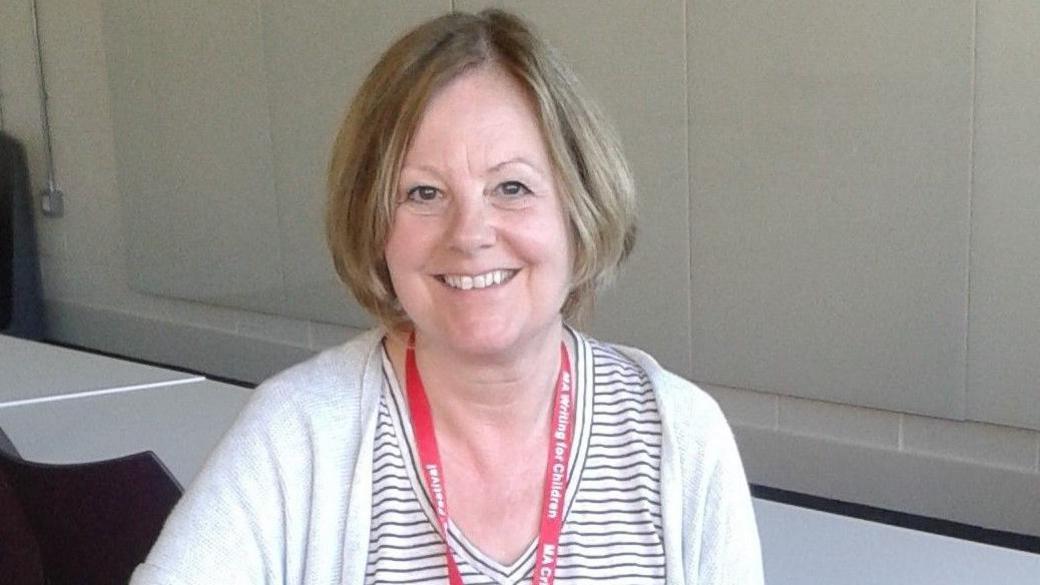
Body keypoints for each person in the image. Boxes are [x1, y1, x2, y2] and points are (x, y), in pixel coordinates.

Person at [131, 9, 762, 585]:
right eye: (423, 194)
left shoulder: (679, 437)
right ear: (374, 224)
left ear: (580, 207)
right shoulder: (296, 433)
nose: (470, 235)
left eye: (511, 187)